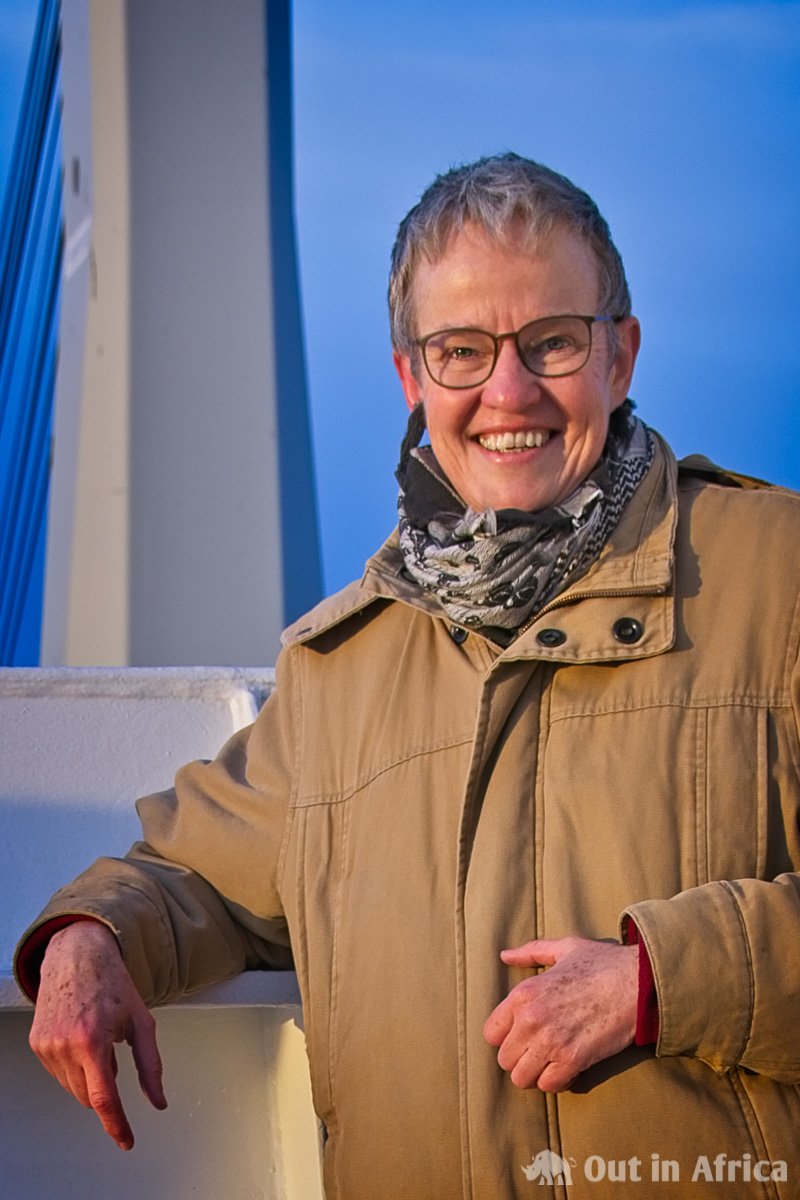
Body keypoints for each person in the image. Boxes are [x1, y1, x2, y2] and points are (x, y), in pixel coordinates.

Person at [15, 153, 800, 1199]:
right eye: (461, 351)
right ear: (411, 379)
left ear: (620, 356)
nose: (507, 391)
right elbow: (199, 877)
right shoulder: (344, 669)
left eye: (552, 342)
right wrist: (88, 937)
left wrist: (671, 976)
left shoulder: (775, 576)